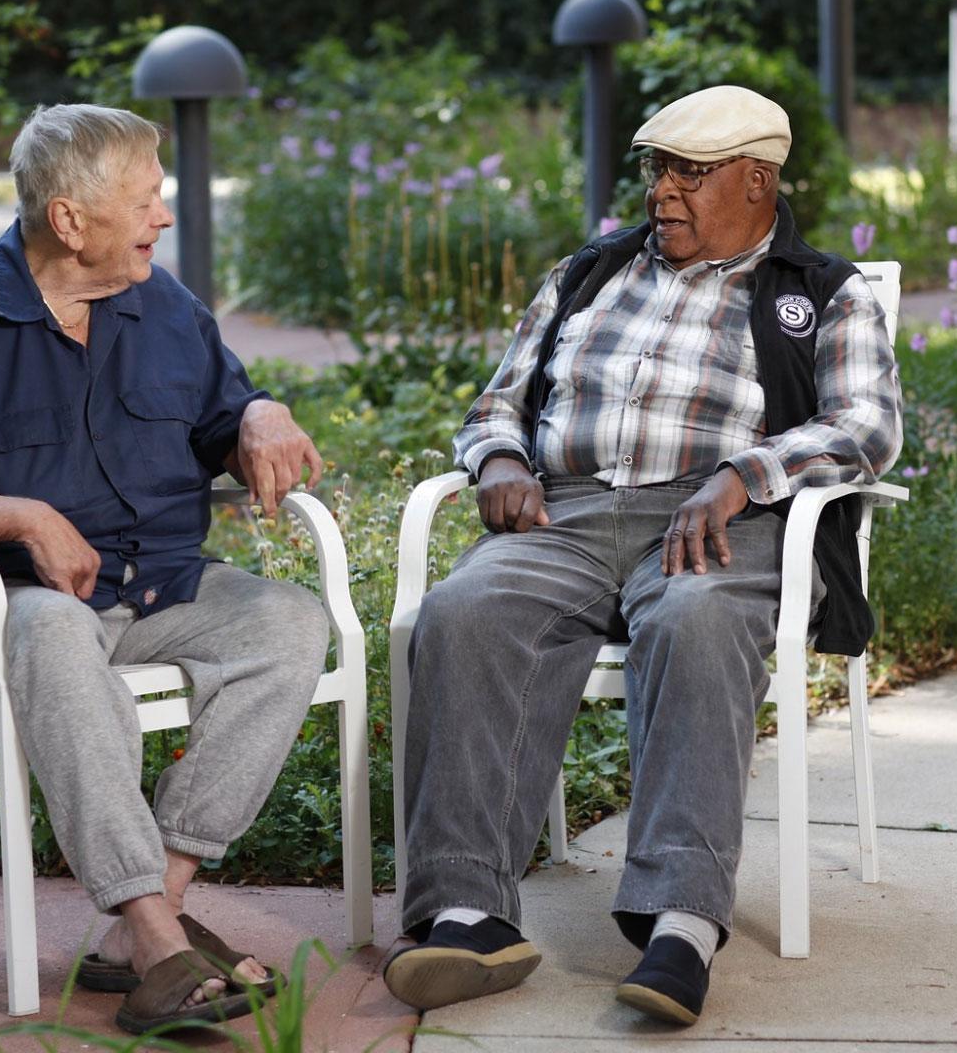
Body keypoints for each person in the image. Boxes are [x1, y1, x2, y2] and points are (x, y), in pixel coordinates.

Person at [383, 85, 902, 1025]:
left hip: (715, 521)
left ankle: (681, 924)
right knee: (463, 613)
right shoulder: (590, 273)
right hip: (567, 514)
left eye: (688, 173)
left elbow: (867, 425)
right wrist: (500, 457)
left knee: (698, 620)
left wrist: (746, 473)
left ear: (756, 179)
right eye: (656, 169)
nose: (663, 191)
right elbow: (498, 401)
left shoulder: (821, 291)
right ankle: (469, 915)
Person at [0, 104, 329, 1033]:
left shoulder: (163, 304)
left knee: (291, 622)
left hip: (150, 588)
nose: (163, 217)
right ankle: (153, 927)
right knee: (56, 626)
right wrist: (19, 515)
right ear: (69, 220)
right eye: (146, 199)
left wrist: (261, 412)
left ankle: (150, 923)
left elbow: (228, 413)